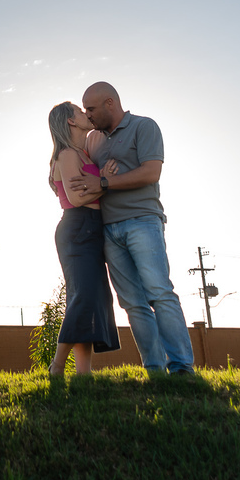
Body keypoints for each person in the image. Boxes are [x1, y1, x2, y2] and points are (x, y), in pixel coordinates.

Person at [69, 82, 194, 375]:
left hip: (143, 221)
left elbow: (151, 172)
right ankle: (154, 369)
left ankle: (181, 368)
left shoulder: (144, 127)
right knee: (133, 304)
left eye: (91, 108)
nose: (88, 115)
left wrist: (104, 182)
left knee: (159, 293)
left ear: (110, 103)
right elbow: (83, 174)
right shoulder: (93, 140)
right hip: (109, 230)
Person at [46, 102, 120, 376]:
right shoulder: (67, 155)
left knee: (93, 297)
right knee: (83, 298)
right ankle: (57, 366)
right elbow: (76, 199)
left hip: (91, 228)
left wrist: (101, 181)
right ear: (70, 122)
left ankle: (83, 373)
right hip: (77, 229)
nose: (85, 114)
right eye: (79, 111)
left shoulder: (83, 153)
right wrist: (104, 182)